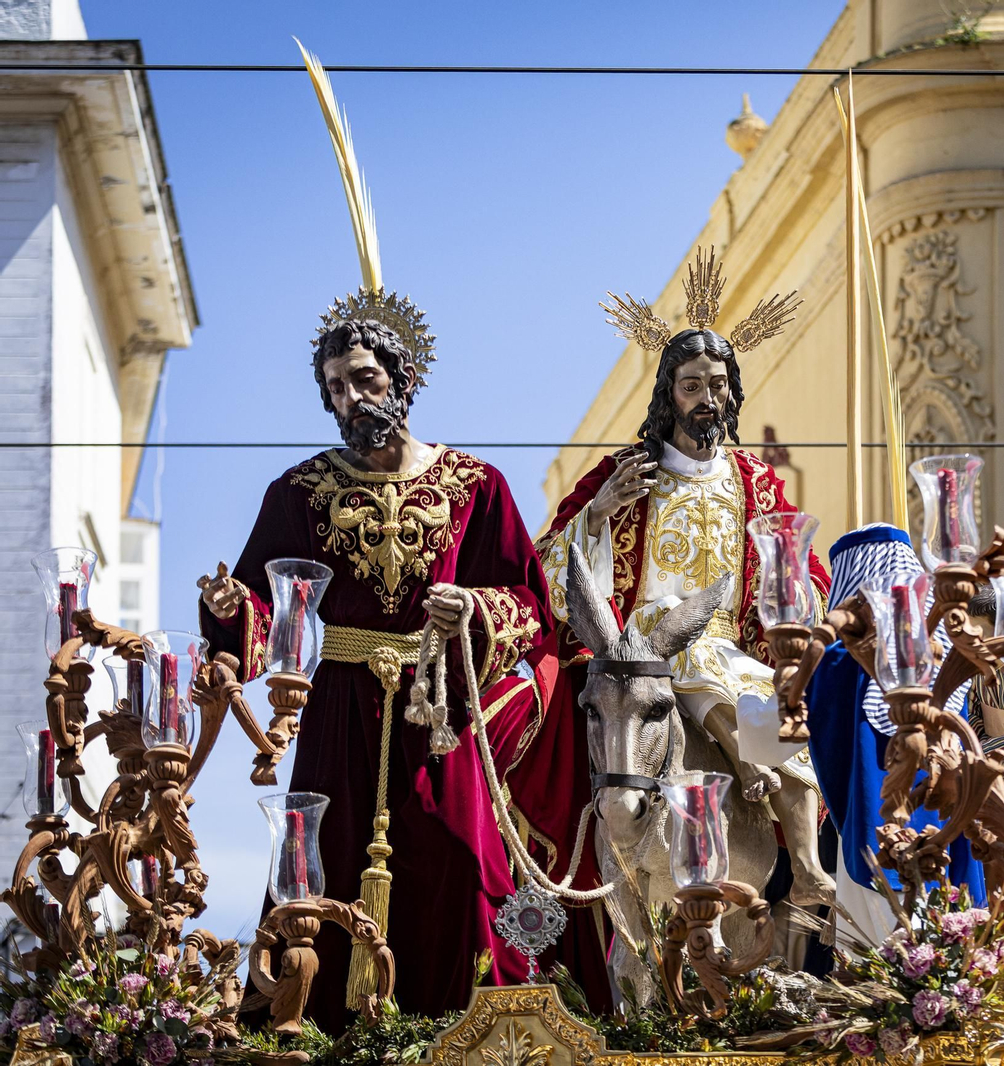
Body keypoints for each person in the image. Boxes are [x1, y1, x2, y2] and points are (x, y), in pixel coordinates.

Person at [195, 46, 607, 1026]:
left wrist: (475, 609)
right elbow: (262, 603)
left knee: (448, 857)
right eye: (335, 386)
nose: (350, 397)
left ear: (404, 377)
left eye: (366, 379)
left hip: (438, 710)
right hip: (336, 708)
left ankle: (461, 1029)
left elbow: (531, 611)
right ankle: (319, 1028)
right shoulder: (297, 488)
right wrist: (232, 612)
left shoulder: (476, 485)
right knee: (319, 864)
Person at [539, 247, 835, 906]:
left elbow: (800, 565)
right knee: (696, 683)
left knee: (788, 721)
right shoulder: (626, 471)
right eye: (693, 385)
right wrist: (602, 509)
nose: (708, 399)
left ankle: (809, 864)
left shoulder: (753, 479)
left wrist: (803, 601)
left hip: (728, 645)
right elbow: (549, 564)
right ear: (669, 393)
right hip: (641, 648)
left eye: (718, 385)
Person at [803, 524, 984, 948]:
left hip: (869, 833)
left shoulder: (832, 660)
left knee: (872, 972)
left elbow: (817, 740)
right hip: (946, 831)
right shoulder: (942, 649)